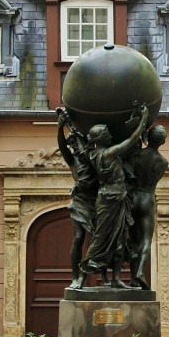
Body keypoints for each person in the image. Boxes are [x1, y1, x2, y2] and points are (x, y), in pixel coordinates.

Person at [79, 103, 148, 288]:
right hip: (111, 199)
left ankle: (116, 278)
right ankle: (82, 276)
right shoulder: (107, 153)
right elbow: (132, 140)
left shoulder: (92, 153)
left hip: (116, 197)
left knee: (120, 238)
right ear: (102, 138)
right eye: (108, 133)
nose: (111, 135)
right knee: (101, 239)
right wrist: (143, 119)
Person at [56, 108, 98, 289]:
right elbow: (61, 146)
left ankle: (85, 274)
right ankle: (76, 276)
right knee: (78, 238)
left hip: (96, 202)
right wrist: (60, 127)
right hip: (80, 201)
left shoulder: (93, 158)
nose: (73, 146)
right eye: (72, 144)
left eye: (76, 143)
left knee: (97, 240)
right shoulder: (73, 161)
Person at [127, 125, 168, 289]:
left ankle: (132, 278)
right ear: (163, 142)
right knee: (145, 240)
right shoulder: (163, 162)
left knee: (133, 240)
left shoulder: (136, 156)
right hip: (147, 197)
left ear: (148, 137)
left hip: (133, 197)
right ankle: (140, 272)